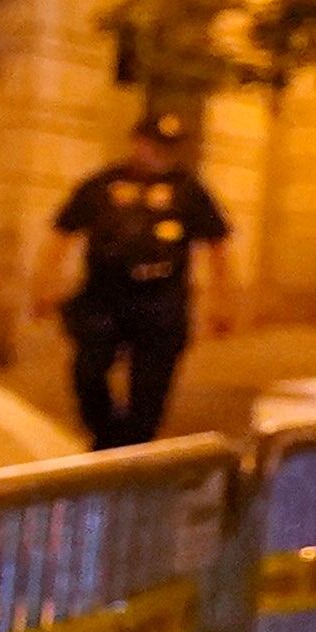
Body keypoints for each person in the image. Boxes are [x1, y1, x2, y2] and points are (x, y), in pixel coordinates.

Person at [46, 108, 236, 446]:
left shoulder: (188, 190)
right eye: (152, 144)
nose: (157, 154)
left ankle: (133, 449)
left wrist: (224, 302)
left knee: (150, 389)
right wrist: (45, 283)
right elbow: (63, 231)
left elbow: (218, 245)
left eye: (167, 147)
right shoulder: (103, 185)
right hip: (104, 296)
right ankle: (106, 436)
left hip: (160, 302)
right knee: (87, 373)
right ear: (137, 142)